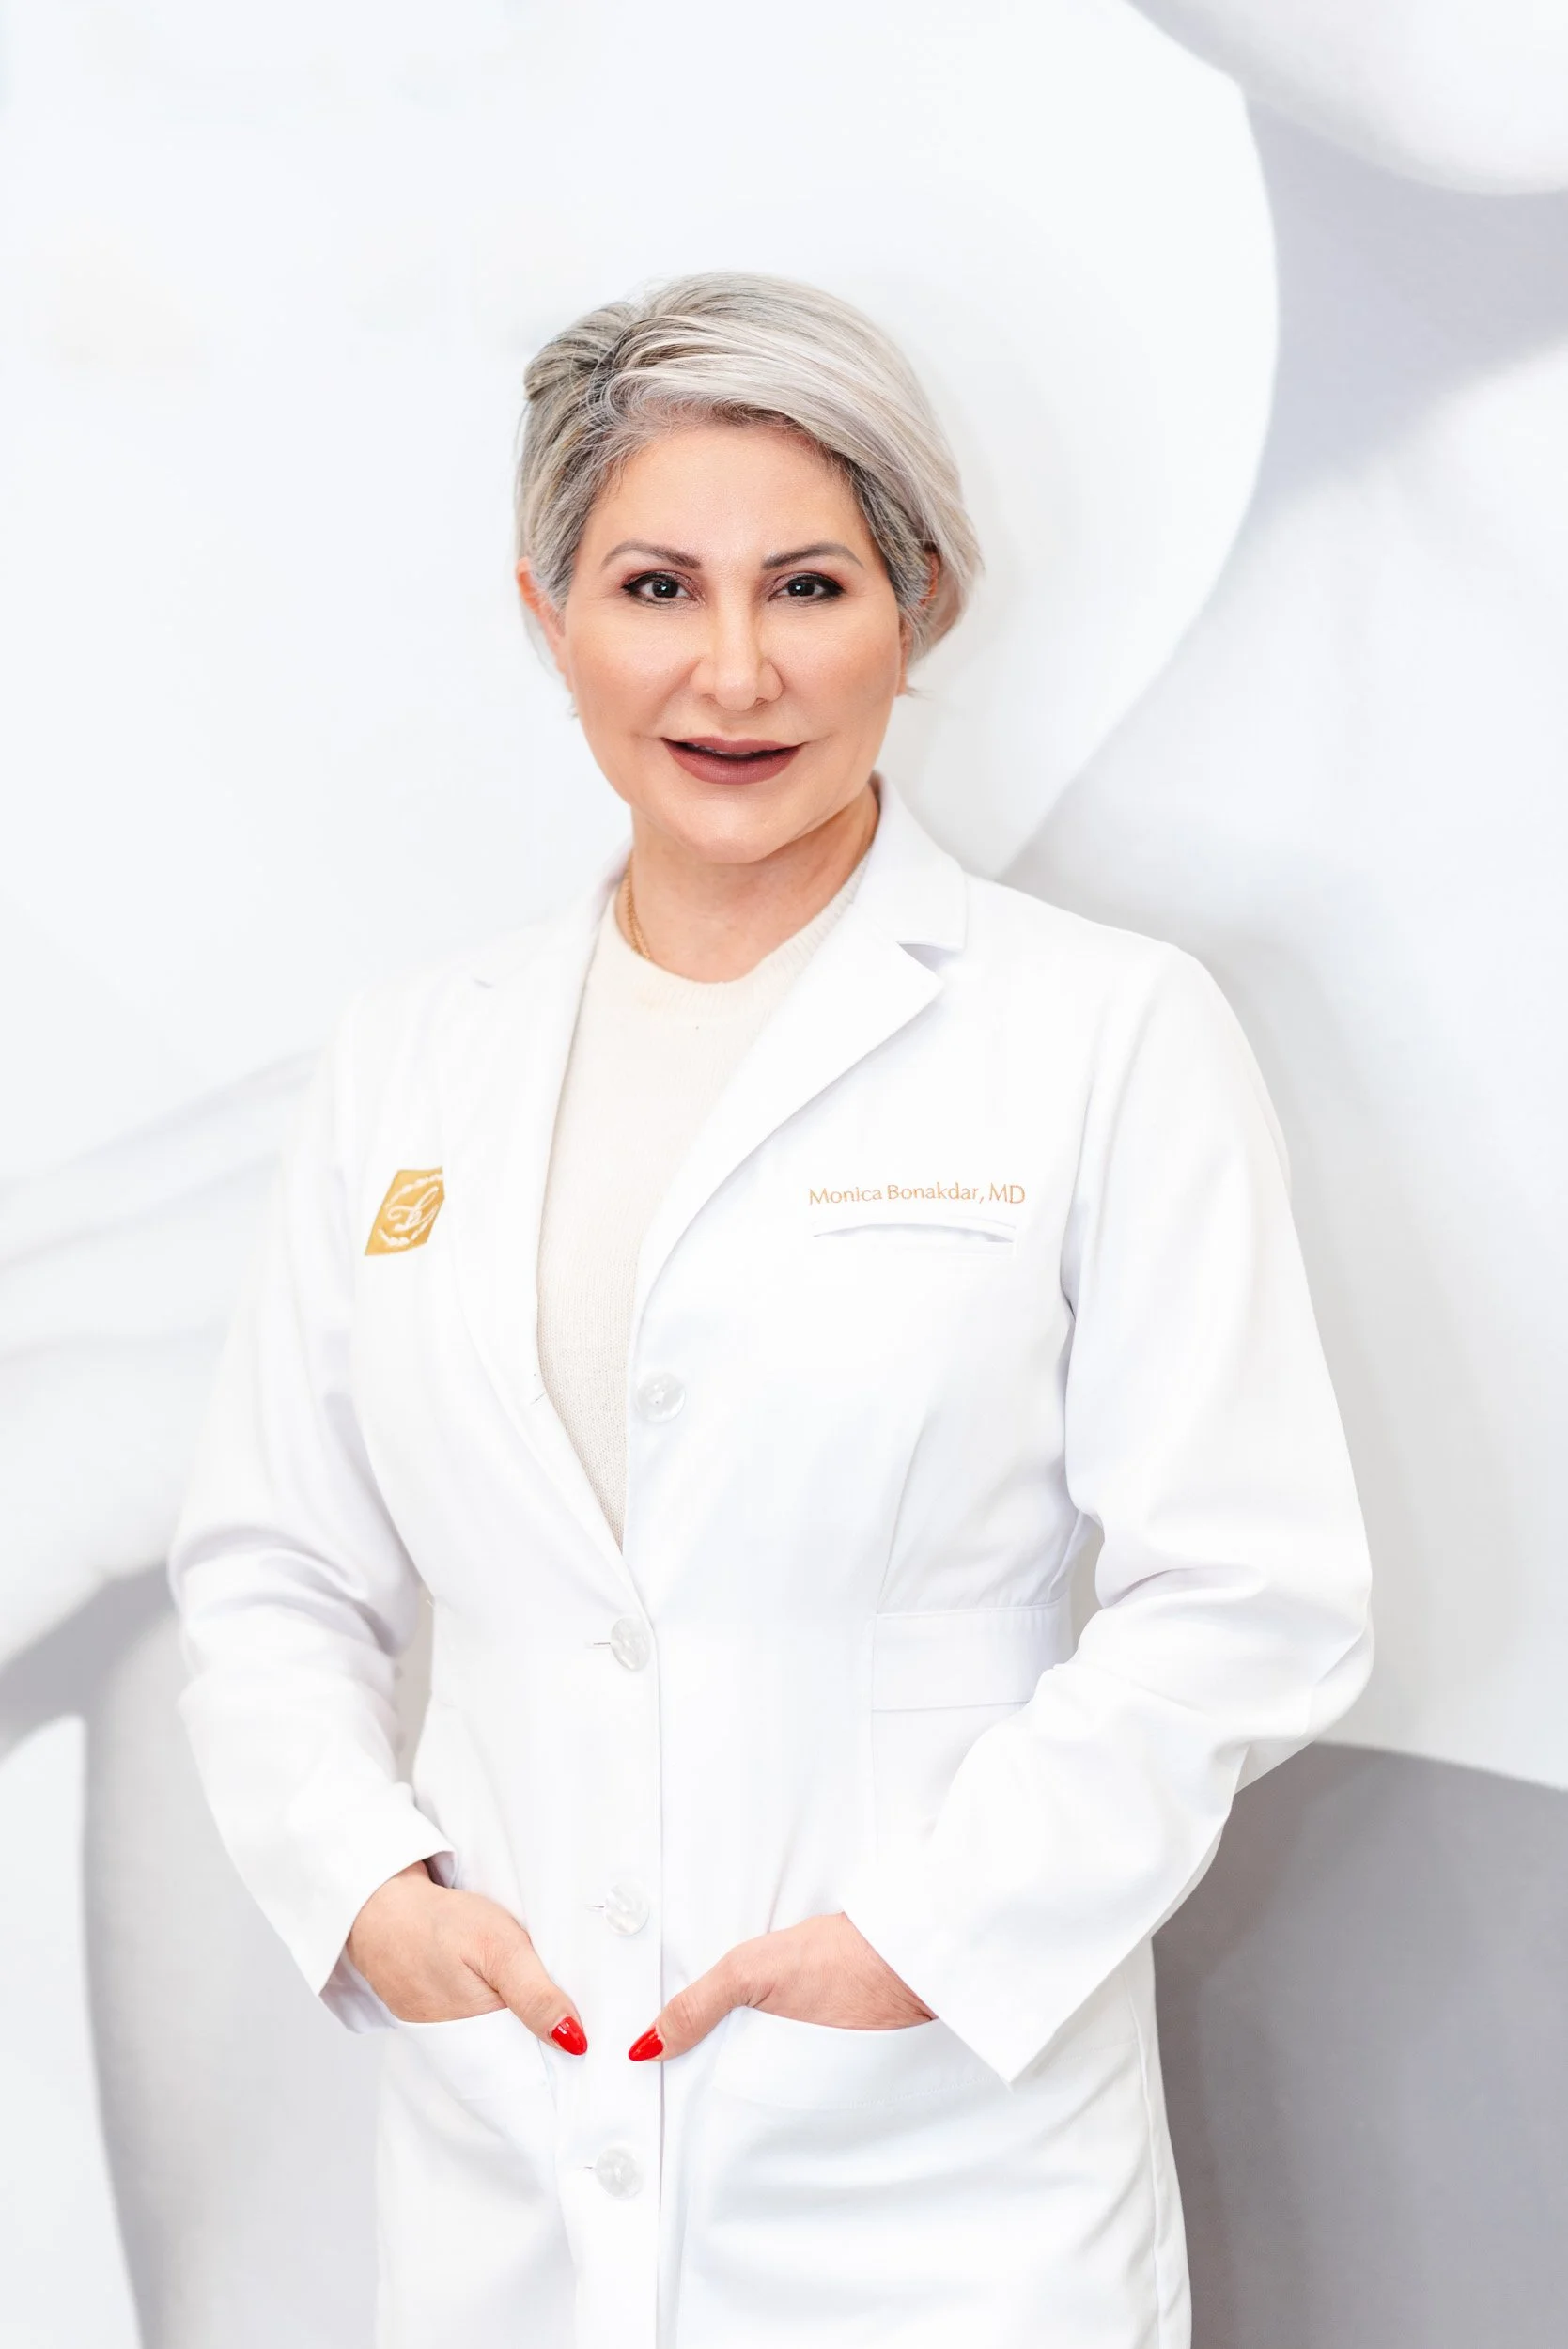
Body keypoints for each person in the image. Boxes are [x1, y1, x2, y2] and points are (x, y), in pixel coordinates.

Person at [167, 271, 1373, 2349]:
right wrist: (368, 1889)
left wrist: (930, 1938)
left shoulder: (1102, 1033)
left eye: (809, 585)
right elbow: (271, 1565)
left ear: (921, 605)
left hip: (939, 2162)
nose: (734, 670)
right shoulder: (409, 1062)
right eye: (655, 586)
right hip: (514, 2148)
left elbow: (1252, 1593)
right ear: (548, 618)